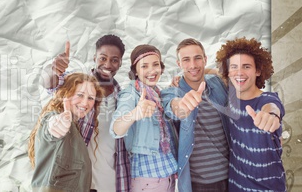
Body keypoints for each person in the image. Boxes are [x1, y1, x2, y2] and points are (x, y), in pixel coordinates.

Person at [40, 34, 130, 192]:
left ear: (120, 63)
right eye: (103, 58)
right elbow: (50, 84)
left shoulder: (123, 98)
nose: (107, 64)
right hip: (77, 182)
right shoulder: (79, 84)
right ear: (95, 57)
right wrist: (54, 69)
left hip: (109, 182)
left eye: (114, 60)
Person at [215, 37, 286, 191]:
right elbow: (216, 72)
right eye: (234, 67)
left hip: (268, 188)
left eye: (246, 66)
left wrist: (271, 117)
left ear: (258, 70)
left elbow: (273, 108)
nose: (239, 72)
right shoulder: (231, 96)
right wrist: (182, 77)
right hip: (236, 186)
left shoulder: (267, 99)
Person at [161, 38, 230, 192]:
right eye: (186, 60)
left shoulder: (217, 84)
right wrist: (181, 106)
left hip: (232, 178)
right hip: (199, 184)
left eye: (197, 58)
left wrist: (208, 70)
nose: (192, 65)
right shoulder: (172, 91)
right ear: (179, 64)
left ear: (205, 60)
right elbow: (172, 105)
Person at [110, 44, 178, 192]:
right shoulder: (130, 94)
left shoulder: (158, 93)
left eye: (155, 64)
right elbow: (116, 128)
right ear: (135, 71)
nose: (151, 71)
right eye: (144, 66)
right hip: (147, 178)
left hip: (167, 174)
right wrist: (135, 113)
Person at [28, 73, 104, 192]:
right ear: (67, 94)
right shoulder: (54, 117)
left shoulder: (75, 128)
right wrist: (58, 124)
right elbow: (52, 127)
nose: (85, 103)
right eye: (80, 95)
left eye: (90, 98)